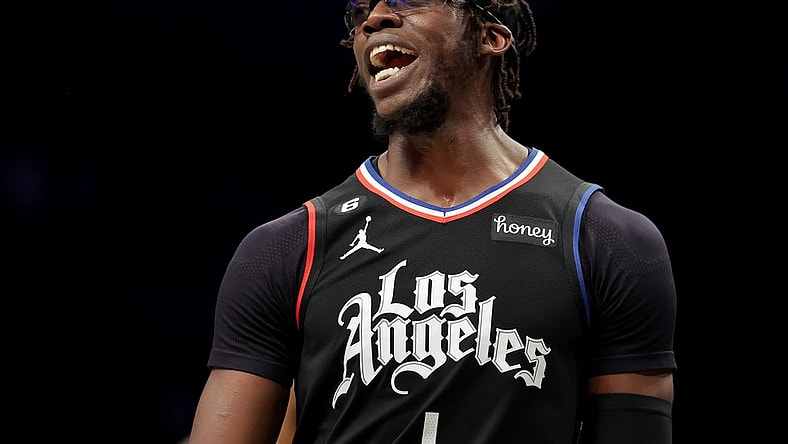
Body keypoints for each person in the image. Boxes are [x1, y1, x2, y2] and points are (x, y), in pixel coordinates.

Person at [189, 0, 677, 442]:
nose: (375, 17)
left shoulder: (605, 237)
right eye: (361, 12)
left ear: (490, 36)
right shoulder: (288, 247)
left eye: (408, 0)